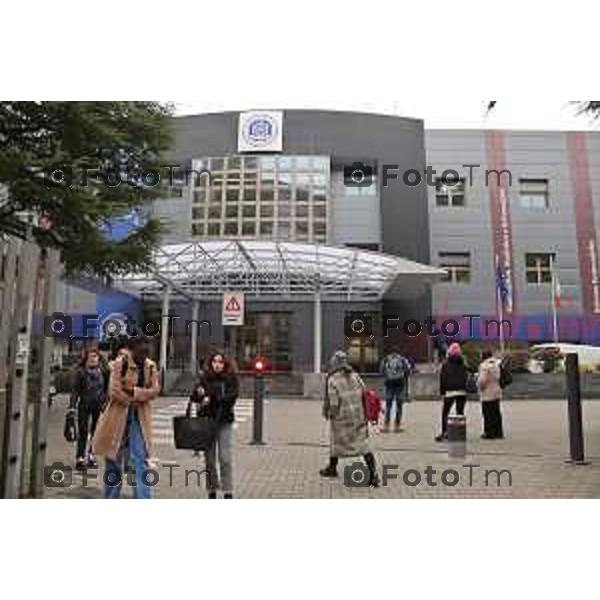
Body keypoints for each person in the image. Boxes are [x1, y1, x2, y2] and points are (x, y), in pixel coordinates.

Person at [92, 336, 160, 499]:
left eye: (147, 350)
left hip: (139, 418)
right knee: (113, 459)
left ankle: (142, 498)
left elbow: (155, 391)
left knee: (140, 460)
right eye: (141, 351)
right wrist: (135, 398)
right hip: (117, 416)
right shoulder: (119, 364)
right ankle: (110, 497)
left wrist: (134, 392)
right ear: (132, 350)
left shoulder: (150, 367)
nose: (144, 354)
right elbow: (114, 391)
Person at [320, 350, 379, 487]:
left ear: (334, 363)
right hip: (358, 416)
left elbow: (334, 403)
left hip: (342, 418)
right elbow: (365, 393)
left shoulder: (332, 379)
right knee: (363, 445)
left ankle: (332, 469)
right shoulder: (355, 375)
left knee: (335, 441)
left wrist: (331, 414)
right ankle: (373, 475)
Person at [191, 350, 239, 499]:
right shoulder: (204, 378)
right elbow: (194, 397)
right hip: (207, 423)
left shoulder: (231, 379)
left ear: (225, 364)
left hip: (224, 422)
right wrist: (200, 395)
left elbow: (231, 398)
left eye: (220, 362)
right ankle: (211, 491)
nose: (217, 365)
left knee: (225, 458)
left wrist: (209, 396)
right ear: (210, 363)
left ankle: (228, 491)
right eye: (214, 362)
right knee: (209, 461)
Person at [69, 348, 108, 470]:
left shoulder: (103, 371)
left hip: (98, 406)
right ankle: (80, 458)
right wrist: (72, 407)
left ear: (99, 358)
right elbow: (75, 391)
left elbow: (107, 389)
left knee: (96, 432)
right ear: (86, 358)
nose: (93, 359)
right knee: (83, 431)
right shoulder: (81, 372)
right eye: (91, 356)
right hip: (84, 405)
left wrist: (105, 402)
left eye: (95, 356)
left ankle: (91, 456)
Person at [435, 342, 468, 442]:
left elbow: (443, 379)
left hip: (450, 391)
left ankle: (445, 432)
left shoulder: (446, 364)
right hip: (462, 392)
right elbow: (466, 376)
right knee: (460, 413)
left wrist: (442, 392)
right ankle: (460, 433)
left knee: (445, 412)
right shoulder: (463, 363)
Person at [380, 348, 410, 432]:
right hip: (400, 385)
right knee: (399, 406)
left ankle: (386, 426)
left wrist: (387, 377)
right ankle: (397, 426)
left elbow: (381, 371)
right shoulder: (402, 359)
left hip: (389, 385)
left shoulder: (386, 359)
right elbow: (408, 370)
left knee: (388, 406)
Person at [477, 350, 505, 439]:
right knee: (496, 412)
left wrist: (479, 386)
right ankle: (499, 432)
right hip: (496, 390)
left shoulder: (484, 366)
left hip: (487, 392)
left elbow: (482, 380)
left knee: (487, 413)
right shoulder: (496, 364)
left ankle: (489, 433)